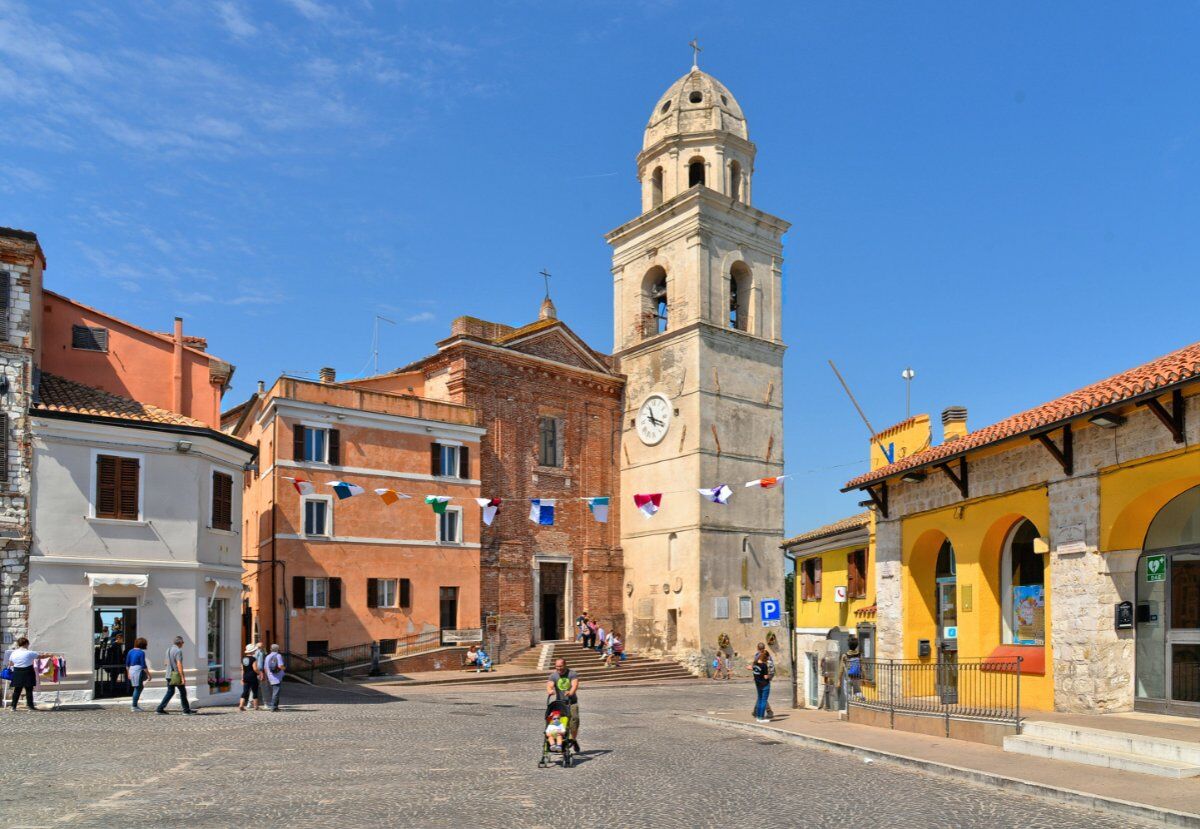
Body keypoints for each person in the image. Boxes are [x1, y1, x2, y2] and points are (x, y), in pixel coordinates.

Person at [546, 657, 580, 752]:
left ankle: (573, 740)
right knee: (557, 722)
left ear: (565, 665)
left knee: (574, 722)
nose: (559, 668)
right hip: (560, 703)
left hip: (571, 702)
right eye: (557, 666)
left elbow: (575, 684)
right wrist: (550, 690)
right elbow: (549, 684)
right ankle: (560, 740)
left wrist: (571, 692)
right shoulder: (554, 675)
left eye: (560, 666)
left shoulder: (572, 674)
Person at [156, 635, 193, 715]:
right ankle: (186, 710)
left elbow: (165, 663)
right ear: (179, 643)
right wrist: (182, 677)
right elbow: (179, 664)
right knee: (182, 692)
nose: (183, 644)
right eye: (182, 642)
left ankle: (160, 708)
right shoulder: (178, 651)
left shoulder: (168, 650)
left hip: (168, 674)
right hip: (175, 675)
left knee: (170, 692)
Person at [6, 637, 40, 711]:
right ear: (26, 644)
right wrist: (49, 655)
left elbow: (11, 663)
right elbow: (40, 656)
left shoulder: (14, 653)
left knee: (17, 690)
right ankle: (30, 707)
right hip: (28, 671)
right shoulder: (30, 652)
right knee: (29, 690)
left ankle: (13, 707)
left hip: (17, 672)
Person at [126, 637, 150, 712]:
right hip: (138, 670)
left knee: (138, 687)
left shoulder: (130, 651)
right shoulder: (141, 652)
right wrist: (149, 674)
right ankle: (134, 706)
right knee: (138, 688)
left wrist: (128, 673)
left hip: (131, 670)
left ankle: (135, 704)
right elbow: (143, 665)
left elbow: (127, 664)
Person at [238, 643, 263, 712]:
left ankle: (241, 705)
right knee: (254, 691)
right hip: (252, 677)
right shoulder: (253, 659)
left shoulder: (243, 659)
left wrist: (242, 678)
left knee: (245, 692)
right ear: (252, 651)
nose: (255, 651)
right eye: (254, 650)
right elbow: (255, 668)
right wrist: (260, 673)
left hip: (245, 677)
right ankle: (256, 706)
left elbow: (242, 669)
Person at [838, 636, 863, 701]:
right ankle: (862, 699)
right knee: (857, 691)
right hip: (856, 677)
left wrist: (839, 679)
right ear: (856, 645)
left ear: (849, 645)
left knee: (848, 693)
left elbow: (841, 669)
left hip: (848, 677)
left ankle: (850, 706)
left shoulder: (845, 655)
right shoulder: (859, 655)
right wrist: (864, 677)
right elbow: (862, 667)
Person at [751, 649, 772, 723]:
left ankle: (758, 717)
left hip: (758, 684)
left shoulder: (755, 664)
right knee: (764, 700)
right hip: (765, 684)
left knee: (759, 700)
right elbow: (766, 676)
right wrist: (769, 676)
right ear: (765, 658)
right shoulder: (764, 665)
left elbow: (754, 671)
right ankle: (761, 718)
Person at [264, 644, 285, 711]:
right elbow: (280, 666)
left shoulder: (267, 656)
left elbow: (265, 668)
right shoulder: (278, 655)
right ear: (277, 649)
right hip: (277, 676)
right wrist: (284, 669)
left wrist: (267, 675)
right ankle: (273, 707)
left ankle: (275, 707)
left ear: (271, 649)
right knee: (276, 692)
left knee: (275, 692)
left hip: (270, 676)